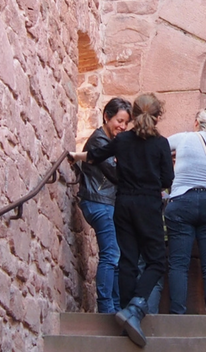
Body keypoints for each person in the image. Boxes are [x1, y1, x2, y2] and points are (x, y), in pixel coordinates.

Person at [86, 93, 174, 347]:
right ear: (157, 116)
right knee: (157, 261)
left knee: (127, 261)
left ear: (133, 116)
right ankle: (136, 306)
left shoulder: (122, 139)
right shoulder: (161, 143)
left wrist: (76, 156)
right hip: (147, 204)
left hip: (123, 203)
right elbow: (168, 180)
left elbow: (94, 155)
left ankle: (125, 315)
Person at [165, 107, 206, 315]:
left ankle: (177, 314)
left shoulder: (184, 139)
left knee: (178, 263)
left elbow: (159, 148)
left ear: (196, 123)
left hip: (182, 200)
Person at [71, 97, 131, 314]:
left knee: (114, 254)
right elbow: (115, 173)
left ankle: (114, 306)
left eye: (126, 123)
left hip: (106, 201)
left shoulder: (111, 142)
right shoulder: (99, 141)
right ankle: (106, 307)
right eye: (119, 120)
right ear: (107, 116)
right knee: (110, 254)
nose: (123, 126)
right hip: (98, 201)